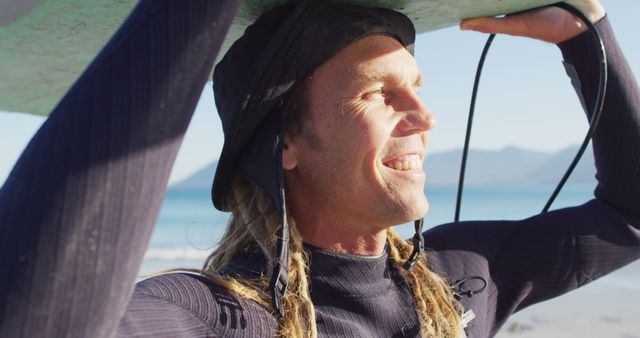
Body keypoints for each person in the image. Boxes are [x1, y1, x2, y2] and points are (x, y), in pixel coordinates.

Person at [0, 0, 638, 337]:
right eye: (376, 93)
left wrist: (588, 36)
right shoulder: (213, 318)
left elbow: (629, 217)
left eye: (417, 85)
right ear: (286, 144)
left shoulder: (463, 278)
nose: (424, 116)